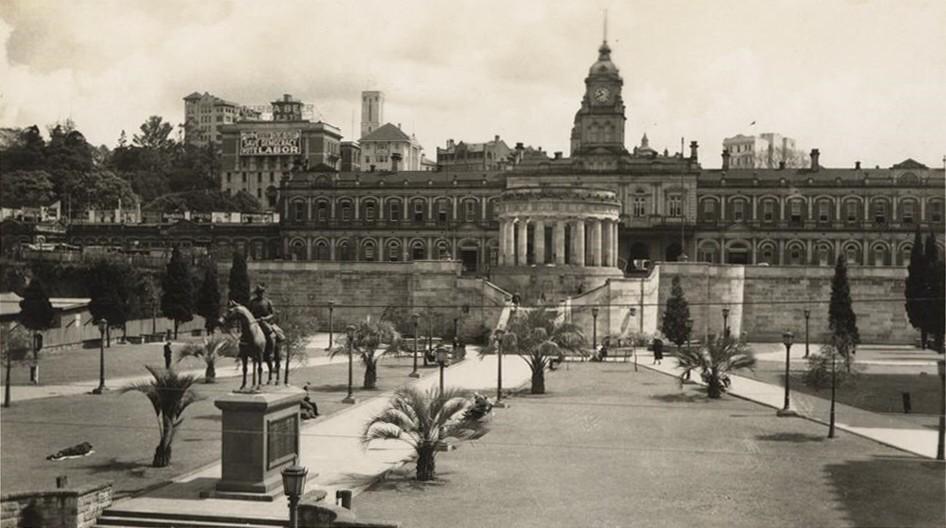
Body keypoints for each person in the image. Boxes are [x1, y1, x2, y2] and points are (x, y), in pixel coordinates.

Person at [248, 283, 276, 359]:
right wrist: (252, 319)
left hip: (264, 321)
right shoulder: (252, 302)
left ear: (263, 292)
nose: (260, 294)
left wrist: (265, 318)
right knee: (246, 333)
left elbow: (272, 314)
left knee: (270, 333)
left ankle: (271, 352)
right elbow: (249, 312)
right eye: (258, 292)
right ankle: (244, 350)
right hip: (254, 322)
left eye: (261, 292)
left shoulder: (268, 302)